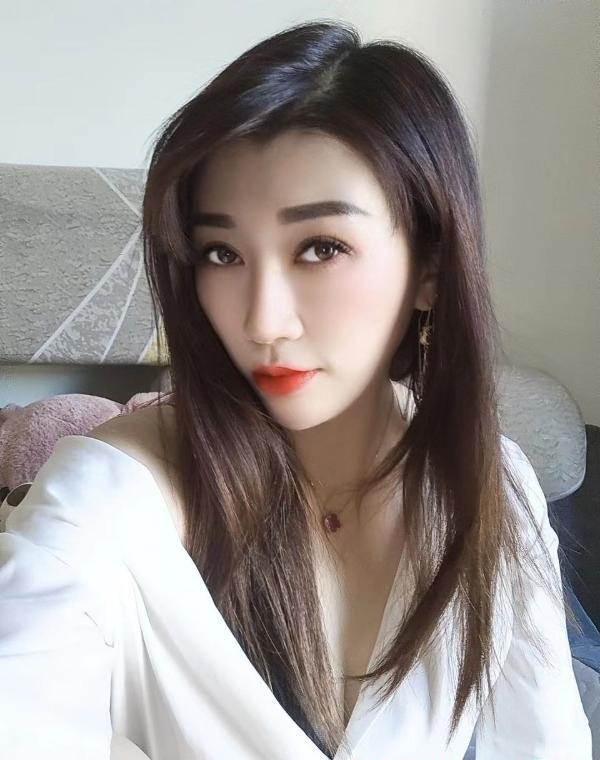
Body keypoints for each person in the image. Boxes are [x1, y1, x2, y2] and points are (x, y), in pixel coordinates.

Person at [0, 18, 592, 760]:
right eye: (222, 253)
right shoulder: (106, 501)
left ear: (431, 268)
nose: (262, 321)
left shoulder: (490, 485)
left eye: (320, 247)